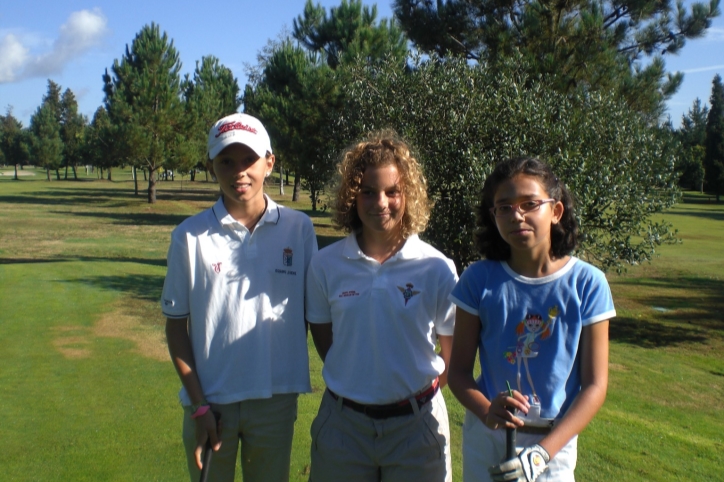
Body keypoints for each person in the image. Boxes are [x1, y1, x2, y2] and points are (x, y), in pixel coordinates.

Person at [161, 113, 318, 482]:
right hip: (210, 404)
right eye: (226, 161)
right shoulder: (189, 236)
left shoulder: (299, 228)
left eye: (248, 160)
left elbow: (317, 314)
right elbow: (176, 327)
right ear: (211, 165)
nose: (239, 172)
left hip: (276, 401)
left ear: (269, 162)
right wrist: (199, 405)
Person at [447, 157, 615, 482]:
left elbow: (595, 385)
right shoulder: (477, 279)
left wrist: (542, 454)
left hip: (554, 442)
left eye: (530, 203)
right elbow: (459, 373)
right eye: (504, 207)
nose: (517, 215)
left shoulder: (588, 284)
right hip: (489, 437)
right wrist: (486, 410)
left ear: (556, 211)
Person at [305, 131, 457, 482]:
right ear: (351, 196)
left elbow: (452, 355)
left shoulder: (436, 267)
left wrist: (411, 400)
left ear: (409, 196)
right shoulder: (326, 264)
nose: (381, 203)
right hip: (343, 427)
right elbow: (325, 340)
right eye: (368, 192)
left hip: (417, 429)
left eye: (393, 192)